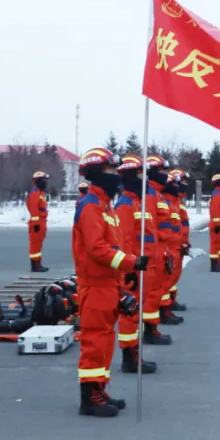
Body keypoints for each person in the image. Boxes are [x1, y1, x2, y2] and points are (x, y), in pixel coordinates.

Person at [74, 148, 148, 417]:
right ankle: (89, 398)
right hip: (94, 286)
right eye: (110, 171)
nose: (116, 177)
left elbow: (113, 244)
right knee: (94, 341)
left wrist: (123, 273)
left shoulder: (105, 206)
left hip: (107, 284)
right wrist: (131, 262)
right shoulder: (90, 206)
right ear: (95, 174)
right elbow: (97, 249)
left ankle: (100, 390)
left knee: (105, 341)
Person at [113, 154, 168, 364]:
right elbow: (125, 242)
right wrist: (130, 271)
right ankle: (129, 356)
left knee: (137, 312)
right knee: (130, 314)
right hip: (134, 269)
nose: (143, 180)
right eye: (139, 175)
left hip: (146, 267)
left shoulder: (138, 204)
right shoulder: (126, 205)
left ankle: (134, 351)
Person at [145, 155, 182, 329]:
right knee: (153, 292)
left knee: (162, 286)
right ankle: (151, 328)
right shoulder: (151, 196)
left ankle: (159, 318)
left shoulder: (158, 196)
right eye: (160, 171)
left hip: (165, 249)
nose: (164, 175)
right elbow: (149, 228)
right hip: (155, 252)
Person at [159, 169, 186, 323]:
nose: (179, 186)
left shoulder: (174, 203)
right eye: (175, 184)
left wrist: (183, 242)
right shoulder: (166, 203)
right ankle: (163, 311)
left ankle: (168, 305)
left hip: (175, 247)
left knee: (171, 279)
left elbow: (178, 226)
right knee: (164, 283)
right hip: (167, 249)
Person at [27, 170, 50, 272]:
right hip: (37, 223)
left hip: (42, 222)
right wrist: (36, 223)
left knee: (38, 243)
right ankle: (35, 265)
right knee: (35, 244)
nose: (45, 182)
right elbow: (33, 209)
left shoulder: (41, 193)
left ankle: (38, 264)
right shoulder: (35, 193)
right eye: (44, 180)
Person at [208, 174, 220, 272]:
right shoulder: (216, 194)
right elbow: (215, 210)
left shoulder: (219, 193)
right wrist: (216, 224)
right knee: (215, 245)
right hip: (217, 225)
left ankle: (218, 263)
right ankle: (214, 266)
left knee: (219, 244)